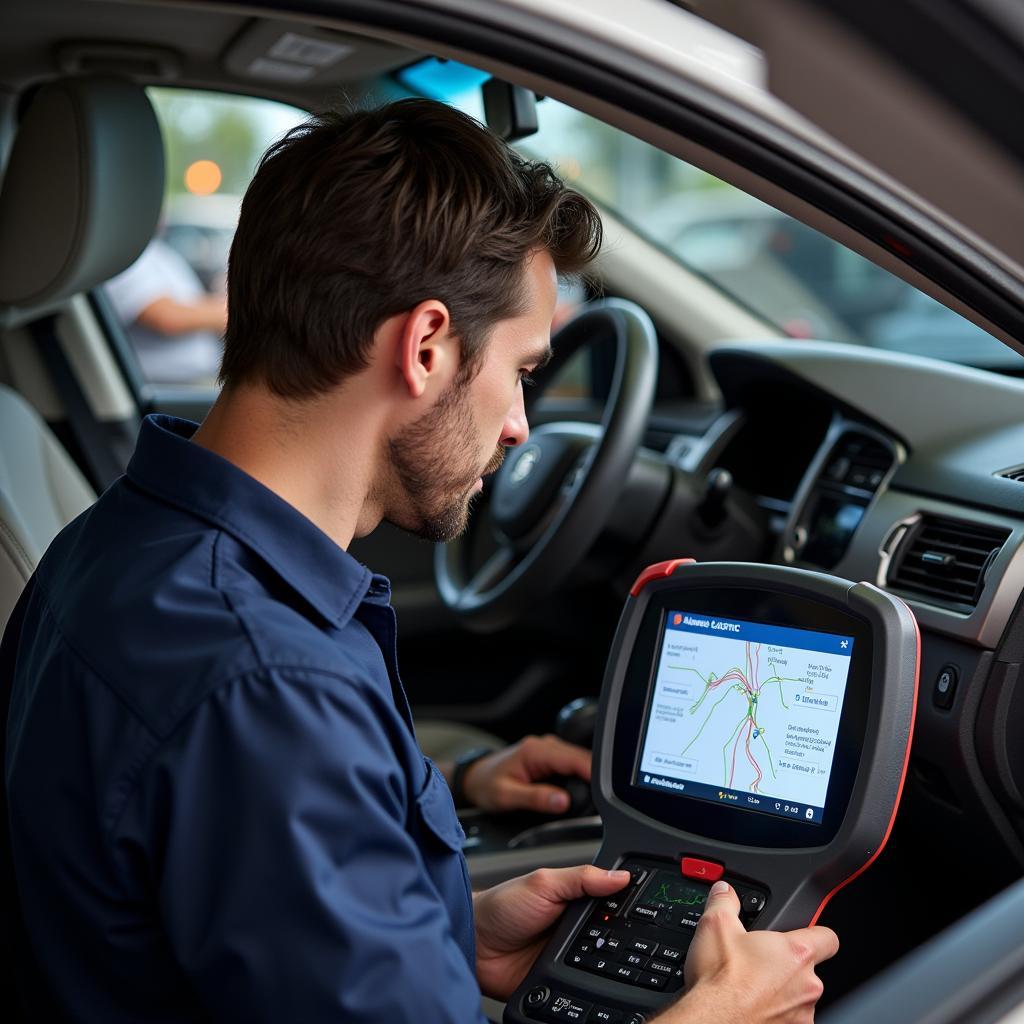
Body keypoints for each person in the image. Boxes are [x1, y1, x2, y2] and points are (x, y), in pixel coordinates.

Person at [1, 99, 837, 1022]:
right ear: (428, 345)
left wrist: (445, 928)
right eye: (522, 371)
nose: (522, 426)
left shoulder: (121, 541)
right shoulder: (267, 684)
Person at [104, 235, 226, 384]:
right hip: (167, 386)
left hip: (194, 379)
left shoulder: (153, 251)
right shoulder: (126, 252)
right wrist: (232, 311)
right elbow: (167, 318)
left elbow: (187, 303)